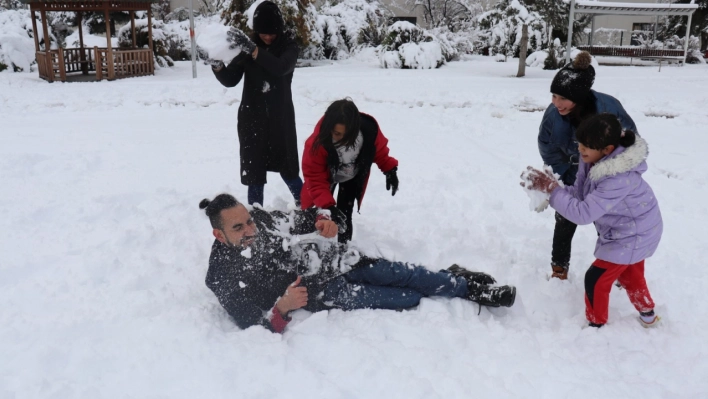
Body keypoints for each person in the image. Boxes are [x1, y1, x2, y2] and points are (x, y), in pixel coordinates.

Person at [200, 193, 516, 333]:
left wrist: (324, 220)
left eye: (248, 222)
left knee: (401, 274)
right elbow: (252, 324)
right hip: (323, 293)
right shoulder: (222, 276)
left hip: (334, 262)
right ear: (218, 233)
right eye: (238, 228)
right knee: (405, 298)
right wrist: (282, 307)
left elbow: (305, 216)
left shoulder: (261, 220)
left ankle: (466, 286)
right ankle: (447, 278)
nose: (250, 230)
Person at [524, 113, 662, 328]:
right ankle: (648, 314)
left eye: (586, 146)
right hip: (630, 229)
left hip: (633, 234)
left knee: (596, 278)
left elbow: (583, 214)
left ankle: (596, 326)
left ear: (607, 149)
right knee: (630, 274)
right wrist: (554, 190)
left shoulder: (618, 177)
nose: (580, 149)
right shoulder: (591, 160)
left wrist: (553, 193)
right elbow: (580, 194)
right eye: (579, 143)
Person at [538, 51, 638, 280]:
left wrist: (607, 174)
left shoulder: (608, 107)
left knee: (609, 221)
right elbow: (547, 147)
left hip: (607, 175)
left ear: (580, 96)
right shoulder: (554, 115)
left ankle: (621, 269)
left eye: (562, 98)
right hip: (571, 171)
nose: (556, 103)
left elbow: (631, 142)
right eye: (553, 96)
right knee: (565, 217)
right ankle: (559, 268)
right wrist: (566, 176)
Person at [207, 1, 302, 207]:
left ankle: (307, 207)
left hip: (280, 118)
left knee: (288, 169)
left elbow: (280, 68)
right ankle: (257, 217)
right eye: (263, 33)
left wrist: (254, 49)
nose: (267, 37)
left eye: (272, 33)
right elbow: (231, 80)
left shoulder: (289, 46)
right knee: (254, 174)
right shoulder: (246, 49)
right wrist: (218, 66)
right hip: (252, 118)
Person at [300, 99, 399, 243]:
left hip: (352, 176)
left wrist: (389, 169)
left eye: (346, 135)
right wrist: (328, 206)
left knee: (345, 214)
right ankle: (312, 246)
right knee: (317, 213)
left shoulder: (369, 131)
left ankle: (343, 249)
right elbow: (315, 179)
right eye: (336, 134)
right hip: (327, 177)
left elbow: (379, 151)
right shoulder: (317, 144)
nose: (342, 139)